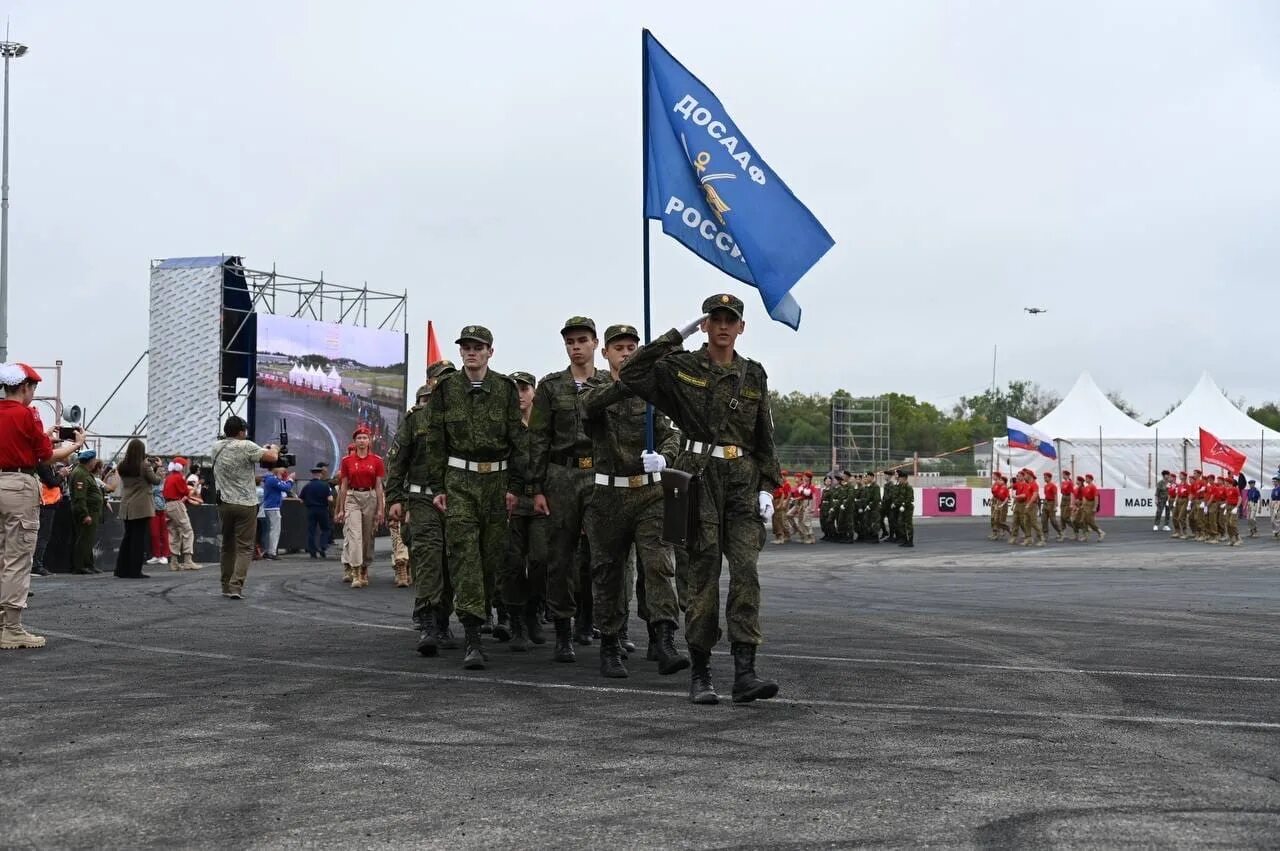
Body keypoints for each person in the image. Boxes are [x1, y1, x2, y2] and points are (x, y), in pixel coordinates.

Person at [620, 293, 781, 705]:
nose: (724, 326)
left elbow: (764, 434)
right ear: (705, 324)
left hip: (742, 481)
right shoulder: (681, 367)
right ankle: (702, 671)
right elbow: (632, 372)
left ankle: (745, 672)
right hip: (698, 476)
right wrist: (674, 336)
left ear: (741, 327)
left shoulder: (753, 375)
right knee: (701, 575)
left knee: (746, 574)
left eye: (732, 319)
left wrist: (768, 485)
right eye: (716, 319)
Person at [580, 323, 686, 679]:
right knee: (608, 572)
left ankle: (666, 636)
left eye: (632, 347)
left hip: (648, 493)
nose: (626, 353)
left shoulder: (655, 394)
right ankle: (610, 643)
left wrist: (665, 458)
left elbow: (672, 436)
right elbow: (589, 407)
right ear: (605, 353)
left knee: (658, 564)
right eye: (619, 348)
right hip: (608, 495)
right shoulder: (594, 388)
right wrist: (632, 381)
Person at [424, 326, 527, 669]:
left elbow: (518, 440)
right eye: (466, 347)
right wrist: (438, 487)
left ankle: (482, 616)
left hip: (497, 481)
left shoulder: (505, 389)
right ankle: (472, 637)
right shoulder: (446, 390)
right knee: (465, 555)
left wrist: (516, 487)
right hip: (459, 481)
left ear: (489, 352)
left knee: (490, 558)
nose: (471, 352)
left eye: (478, 347)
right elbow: (435, 440)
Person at [527, 316, 610, 658]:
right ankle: (563, 628)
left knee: (601, 556)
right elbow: (538, 439)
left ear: (594, 344)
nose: (576, 347)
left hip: (599, 474)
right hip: (561, 477)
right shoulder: (550, 387)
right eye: (570, 342)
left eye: (582, 340)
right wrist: (536, 488)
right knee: (559, 556)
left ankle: (599, 625)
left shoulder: (608, 384)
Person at [0, 363, 83, 647]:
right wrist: (74, 446)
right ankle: (11, 627)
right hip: (19, 485)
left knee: (1, 556)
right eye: (33, 389)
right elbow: (46, 456)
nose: (33, 395)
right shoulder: (28, 415)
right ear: (24, 387)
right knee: (18, 559)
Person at [386, 361, 459, 653]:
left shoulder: (463, 419)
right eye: (440, 380)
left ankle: (443, 620)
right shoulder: (417, 419)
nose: (445, 385)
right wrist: (395, 498)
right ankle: (428, 621)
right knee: (428, 555)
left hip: (457, 499)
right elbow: (397, 460)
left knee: (452, 560)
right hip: (422, 499)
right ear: (430, 383)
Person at [491, 370, 546, 652]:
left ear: (534, 392)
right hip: (511, 502)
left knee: (540, 559)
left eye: (524, 389)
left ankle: (534, 611)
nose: (520, 395)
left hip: (539, 501)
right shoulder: (503, 426)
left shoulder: (544, 425)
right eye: (515, 390)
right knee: (511, 564)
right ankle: (517, 623)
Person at [211, 416, 280, 599]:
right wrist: (274, 448)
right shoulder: (246, 445)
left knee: (227, 545)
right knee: (245, 547)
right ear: (241, 431)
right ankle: (236, 586)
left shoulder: (216, 447)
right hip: (246, 503)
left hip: (224, 503)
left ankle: (225, 586)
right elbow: (272, 457)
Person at [336, 427, 385, 589]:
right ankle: (356, 571)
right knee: (355, 535)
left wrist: (380, 509)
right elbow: (343, 486)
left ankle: (364, 567)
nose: (362, 440)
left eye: (365, 438)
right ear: (355, 441)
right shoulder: (346, 461)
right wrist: (342, 508)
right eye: (359, 438)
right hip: (352, 497)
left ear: (369, 441)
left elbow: (379, 487)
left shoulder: (377, 460)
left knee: (367, 536)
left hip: (370, 497)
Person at [113, 440, 163, 579]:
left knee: (128, 538)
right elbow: (156, 480)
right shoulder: (144, 465)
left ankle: (121, 569)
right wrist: (158, 468)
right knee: (138, 539)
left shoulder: (122, 465)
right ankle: (135, 570)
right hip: (141, 506)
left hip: (127, 505)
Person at [162, 457, 201, 571]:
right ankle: (188, 560)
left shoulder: (169, 477)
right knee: (187, 530)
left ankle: (174, 562)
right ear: (180, 467)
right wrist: (194, 488)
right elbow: (185, 492)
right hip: (176, 505)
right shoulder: (178, 478)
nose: (185, 468)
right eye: (184, 466)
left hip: (168, 505)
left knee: (174, 532)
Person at [33, 461, 64, 576]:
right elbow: (52, 482)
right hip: (46, 504)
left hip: (47, 504)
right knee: (43, 536)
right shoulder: (43, 465)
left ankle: (36, 564)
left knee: (42, 536)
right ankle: (36, 565)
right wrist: (61, 475)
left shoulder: (44, 464)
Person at [298, 466, 334, 559]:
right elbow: (330, 499)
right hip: (322, 509)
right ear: (320, 474)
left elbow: (301, 500)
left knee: (311, 531)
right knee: (325, 529)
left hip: (311, 510)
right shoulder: (325, 485)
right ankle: (323, 546)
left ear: (312, 474)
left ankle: (312, 551)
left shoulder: (307, 486)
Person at [261, 466, 294, 560]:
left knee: (270, 530)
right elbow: (286, 487)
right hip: (273, 507)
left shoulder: (269, 479)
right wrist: (291, 479)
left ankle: (268, 550)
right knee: (275, 530)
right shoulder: (272, 479)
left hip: (269, 507)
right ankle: (272, 552)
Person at [1078, 473, 1104, 542]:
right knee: (1083, 520)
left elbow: (1096, 497)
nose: (1086, 479)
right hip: (1086, 504)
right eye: (1086, 478)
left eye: (1087, 478)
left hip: (1091, 504)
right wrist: (1082, 506)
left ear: (1090, 479)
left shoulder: (1093, 487)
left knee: (1090, 521)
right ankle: (1085, 536)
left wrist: (1095, 507)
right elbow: (1084, 498)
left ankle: (1100, 532)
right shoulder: (1085, 488)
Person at [1041, 472, 1062, 543]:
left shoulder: (1053, 486)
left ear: (1049, 478)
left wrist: (1055, 505)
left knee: (1053, 520)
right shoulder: (1046, 486)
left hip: (1051, 503)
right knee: (1043, 520)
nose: (1044, 478)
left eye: (1046, 477)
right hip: (1046, 502)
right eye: (1044, 477)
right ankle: (1045, 534)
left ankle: (1060, 532)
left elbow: (1055, 495)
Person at [1171, 471, 1189, 539]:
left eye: (1181, 475)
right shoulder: (1179, 485)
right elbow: (1177, 493)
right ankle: (1177, 531)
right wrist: (1175, 501)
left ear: (1184, 476)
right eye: (1180, 475)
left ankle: (1185, 533)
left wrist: (1189, 503)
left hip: (1184, 500)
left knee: (1181, 517)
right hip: (1178, 500)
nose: (1179, 476)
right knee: (1174, 516)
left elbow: (1189, 494)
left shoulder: (1187, 485)